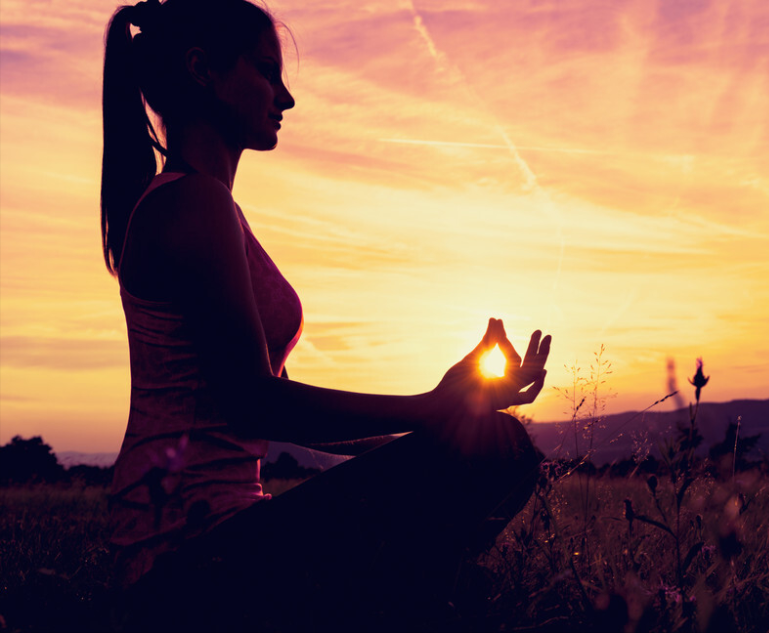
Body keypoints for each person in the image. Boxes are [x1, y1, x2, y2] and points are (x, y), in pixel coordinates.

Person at [100, 1, 551, 630]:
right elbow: (255, 403)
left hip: (214, 543)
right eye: (265, 71)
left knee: (483, 441)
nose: (284, 97)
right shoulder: (192, 205)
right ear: (202, 70)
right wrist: (431, 406)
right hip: (182, 564)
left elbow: (281, 410)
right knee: (496, 453)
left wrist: (449, 415)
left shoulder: (209, 209)